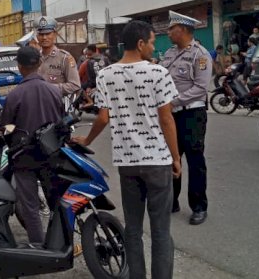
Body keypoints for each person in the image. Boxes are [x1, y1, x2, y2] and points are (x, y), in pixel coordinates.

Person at [73, 20, 181, 279]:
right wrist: (176, 157)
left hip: (128, 163)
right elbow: (166, 119)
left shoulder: (106, 75)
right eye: (153, 42)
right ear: (141, 43)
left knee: (133, 229)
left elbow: (102, 118)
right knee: (160, 231)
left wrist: (87, 141)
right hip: (157, 161)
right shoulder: (158, 73)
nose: (154, 48)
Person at [0, 46, 65, 245]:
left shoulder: (15, 95)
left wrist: (7, 134)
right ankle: (60, 243)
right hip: (52, 155)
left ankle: (38, 244)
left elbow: (7, 128)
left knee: (30, 206)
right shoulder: (54, 91)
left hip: (24, 157)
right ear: (39, 64)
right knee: (56, 201)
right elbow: (61, 121)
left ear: (19, 67)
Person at [160, 10, 213, 225]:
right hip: (170, 115)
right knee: (172, 157)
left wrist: (172, 101)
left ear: (183, 30)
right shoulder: (170, 53)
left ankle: (199, 206)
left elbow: (201, 88)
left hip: (191, 114)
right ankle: (172, 201)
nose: (169, 31)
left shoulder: (200, 54)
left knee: (195, 160)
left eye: (172, 28)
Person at [34, 15, 81, 96]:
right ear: (37, 36)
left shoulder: (64, 58)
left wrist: (48, 88)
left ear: (55, 34)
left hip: (57, 105)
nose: (44, 37)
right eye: (41, 34)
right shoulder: (34, 57)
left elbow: (75, 85)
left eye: (48, 33)